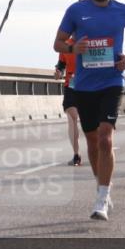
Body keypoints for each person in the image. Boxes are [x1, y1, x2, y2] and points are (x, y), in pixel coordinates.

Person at [55, 0, 125, 221]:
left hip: (112, 82)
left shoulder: (124, 11)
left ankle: (102, 197)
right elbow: (57, 43)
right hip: (83, 85)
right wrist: (73, 49)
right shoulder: (76, 10)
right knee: (92, 142)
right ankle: (101, 185)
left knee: (106, 138)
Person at [54, 38, 81, 166]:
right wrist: (58, 72)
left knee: (92, 122)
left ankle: (98, 150)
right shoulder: (66, 44)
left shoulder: (92, 40)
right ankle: (76, 155)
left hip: (91, 85)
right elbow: (61, 63)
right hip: (71, 85)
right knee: (72, 118)